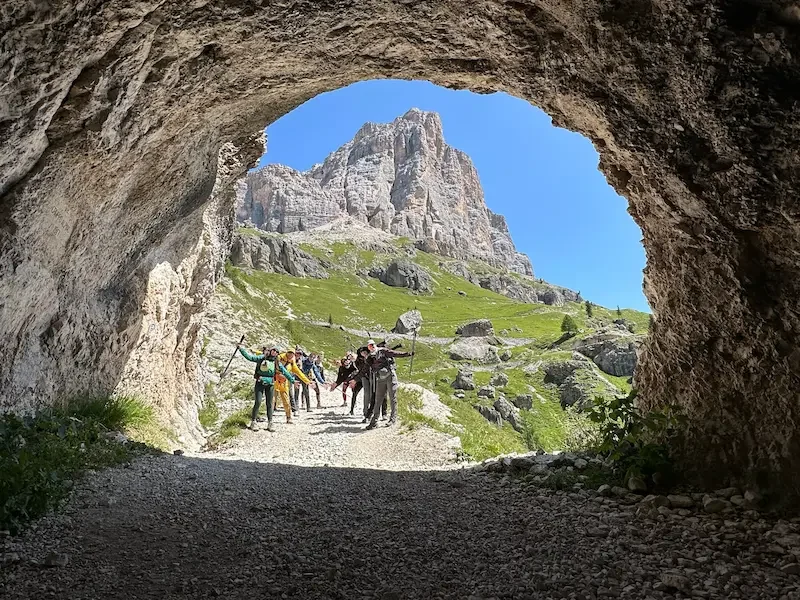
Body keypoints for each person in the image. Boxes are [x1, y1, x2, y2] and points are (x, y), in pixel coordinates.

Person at [236, 345, 291, 432]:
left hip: (270, 384)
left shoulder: (277, 362)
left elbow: (284, 371)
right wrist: (241, 349)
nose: (275, 352)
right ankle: (253, 422)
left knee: (269, 404)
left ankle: (270, 423)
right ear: (271, 350)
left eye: (277, 352)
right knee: (257, 402)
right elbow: (250, 358)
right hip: (260, 382)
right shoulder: (262, 357)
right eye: (274, 350)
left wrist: (292, 380)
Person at [365, 341, 413, 430]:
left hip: (390, 376)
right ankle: (374, 421)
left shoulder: (383, 351)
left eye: (372, 345)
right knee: (378, 399)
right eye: (370, 346)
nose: (372, 347)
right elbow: (367, 368)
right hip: (380, 378)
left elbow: (394, 354)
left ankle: (392, 419)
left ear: (375, 345)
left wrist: (407, 354)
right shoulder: (370, 357)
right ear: (368, 348)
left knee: (392, 397)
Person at [274, 349, 311, 423]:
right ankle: (270, 418)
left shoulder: (292, 362)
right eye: (289, 353)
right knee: (272, 400)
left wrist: (307, 381)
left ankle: (288, 417)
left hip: (284, 382)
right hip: (274, 381)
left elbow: (298, 372)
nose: (291, 355)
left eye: (292, 354)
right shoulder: (279, 358)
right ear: (287, 353)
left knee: (286, 401)